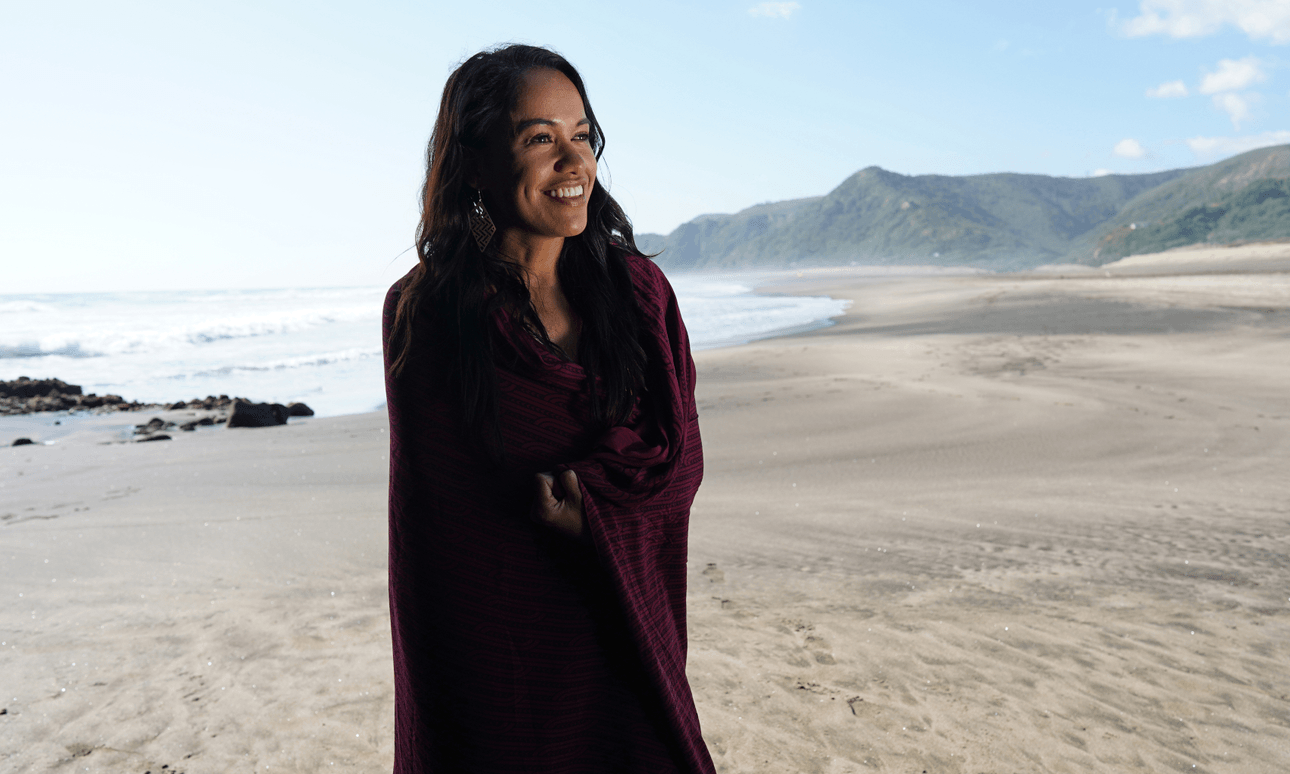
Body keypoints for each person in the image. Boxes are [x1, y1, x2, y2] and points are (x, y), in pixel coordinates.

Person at [381, 44, 715, 773]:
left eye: (581, 134)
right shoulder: (427, 312)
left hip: (625, 623)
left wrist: (592, 507)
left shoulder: (641, 293)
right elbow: (441, 525)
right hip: (497, 650)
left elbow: (680, 459)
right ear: (475, 161)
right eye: (540, 138)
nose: (574, 161)